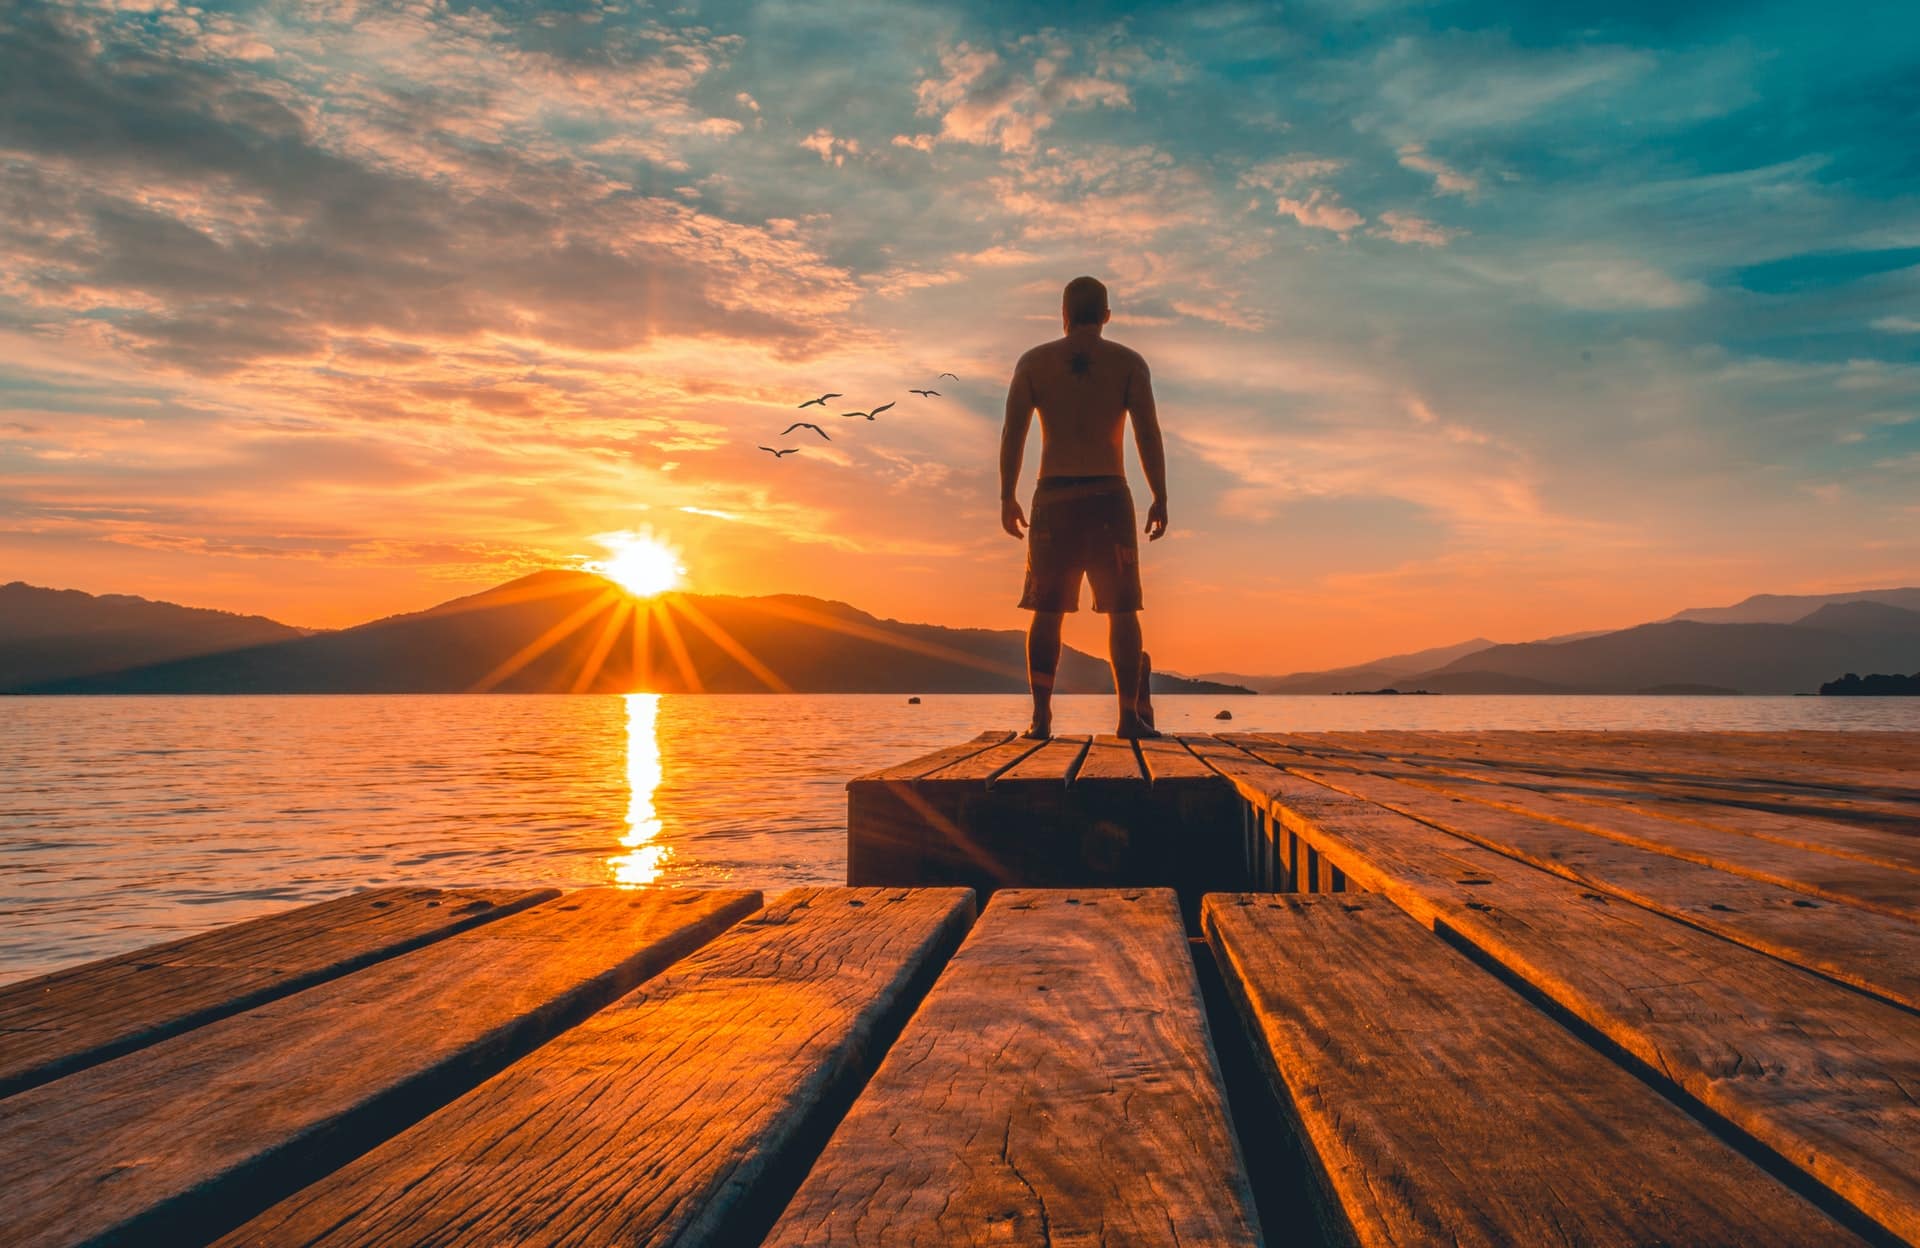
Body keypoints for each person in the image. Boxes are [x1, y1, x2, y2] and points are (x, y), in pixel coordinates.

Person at [999, 275, 1167, 739]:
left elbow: (1014, 433)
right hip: (1108, 496)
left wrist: (1006, 494)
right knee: (1122, 610)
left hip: (1053, 496)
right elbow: (1147, 433)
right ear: (1107, 315)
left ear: (1064, 314)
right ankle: (1129, 717)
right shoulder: (1128, 363)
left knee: (1046, 611)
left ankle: (1040, 717)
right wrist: (1160, 495)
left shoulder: (1034, 362)